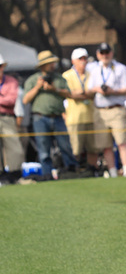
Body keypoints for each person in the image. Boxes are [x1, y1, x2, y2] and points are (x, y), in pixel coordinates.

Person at [22, 50, 76, 180]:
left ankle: (71, 170)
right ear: (42, 65)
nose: (52, 65)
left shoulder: (59, 78)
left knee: (65, 146)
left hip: (57, 116)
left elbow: (69, 94)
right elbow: (25, 100)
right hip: (40, 118)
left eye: (53, 63)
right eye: (49, 63)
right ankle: (47, 174)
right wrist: (37, 87)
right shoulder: (33, 79)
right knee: (43, 149)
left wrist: (54, 89)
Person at [87, 42, 126, 177]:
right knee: (105, 144)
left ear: (111, 53)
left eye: (107, 52)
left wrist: (113, 91)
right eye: (102, 53)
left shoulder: (120, 68)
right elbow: (90, 89)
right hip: (100, 110)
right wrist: (97, 89)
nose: (105, 55)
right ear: (98, 54)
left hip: (116, 109)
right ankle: (112, 171)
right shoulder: (94, 70)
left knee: (121, 142)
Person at [63, 48, 99, 173]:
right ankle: (76, 171)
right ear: (73, 61)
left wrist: (80, 93)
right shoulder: (67, 75)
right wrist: (86, 93)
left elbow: (94, 92)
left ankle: (92, 170)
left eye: (85, 58)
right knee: (75, 148)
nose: (83, 61)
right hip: (74, 118)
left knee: (93, 148)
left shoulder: (92, 74)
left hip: (92, 116)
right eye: (80, 59)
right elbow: (69, 94)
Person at [0, 53, 25, 177]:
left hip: (7, 118)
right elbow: (6, 100)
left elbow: (11, 100)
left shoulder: (11, 81)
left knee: (15, 147)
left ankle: (14, 174)